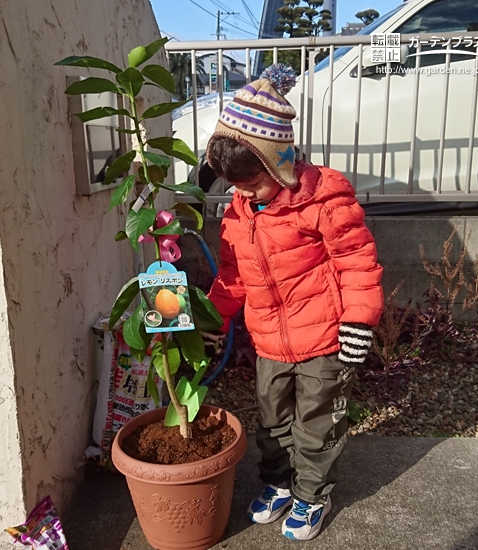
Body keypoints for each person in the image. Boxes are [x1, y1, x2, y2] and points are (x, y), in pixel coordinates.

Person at [205, 64, 384, 541]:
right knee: (272, 418)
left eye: (251, 184)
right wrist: (215, 317)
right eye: (233, 186)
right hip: (269, 340)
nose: (241, 194)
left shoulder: (324, 199)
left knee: (317, 421)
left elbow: (357, 261)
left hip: (324, 336)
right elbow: (232, 276)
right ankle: (278, 484)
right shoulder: (238, 215)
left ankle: (312, 494)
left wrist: (359, 320)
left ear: (277, 164)